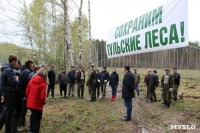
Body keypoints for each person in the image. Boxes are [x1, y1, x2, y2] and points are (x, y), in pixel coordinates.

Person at [26, 67, 48, 133]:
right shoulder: (43, 84)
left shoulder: (31, 80)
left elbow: (26, 92)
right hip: (37, 105)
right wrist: (44, 103)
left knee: (33, 116)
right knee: (37, 119)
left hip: (30, 104)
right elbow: (42, 97)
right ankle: (34, 131)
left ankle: (31, 130)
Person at [1, 55, 19, 132]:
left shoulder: (6, 69)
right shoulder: (9, 70)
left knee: (7, 110)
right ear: (14, 61)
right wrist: (17, 79)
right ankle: (8, 130)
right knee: (9, 112)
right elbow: (13, 82)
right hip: (9, 93)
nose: (17, 62)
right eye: (17, 60)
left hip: (6, 92)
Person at [20, 59, 34, 127]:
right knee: (24, 108)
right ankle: (22, 122)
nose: (32, 64)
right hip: (25, 92)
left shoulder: (24, 70)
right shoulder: (27, 71)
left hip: (23, 92)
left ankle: (21, 121)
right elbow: (26, 83)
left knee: (23, 107)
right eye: (32, 63)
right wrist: (25, 94)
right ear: (30, 63)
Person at [12, 60, 24, 132]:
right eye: (20, 64)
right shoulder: (16, 72)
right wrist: (22, 95)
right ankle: (14, 128)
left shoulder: (11, 71)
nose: (20, 66)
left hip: (12, 94)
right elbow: (19, 85)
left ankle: (13, 127)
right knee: (16, 111)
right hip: (17, 95)